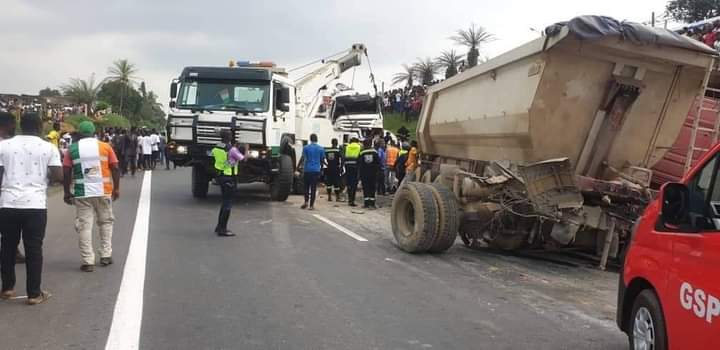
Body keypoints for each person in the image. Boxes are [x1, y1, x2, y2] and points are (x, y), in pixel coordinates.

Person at [0, 113, 62, 304]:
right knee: (34, 248)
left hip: (8, 203)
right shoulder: (48, 147)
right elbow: (58, 176)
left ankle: (7, 288)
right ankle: (34, 294)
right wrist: (45, 177)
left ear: (20, 125)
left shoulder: (4, 145)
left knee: (8, 246)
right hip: (35, 204)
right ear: (40, 126)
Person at [62, 121, 120, 272]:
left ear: (80, 133)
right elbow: (115, 167)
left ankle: (88, 261)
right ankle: (106, 255)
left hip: (82, 193)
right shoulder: (105, 146)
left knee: (84, 226)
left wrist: (67, 192)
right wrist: (117, 188)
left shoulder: (72, 149)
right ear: (94, 132)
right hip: (103, 191)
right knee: (106, 223)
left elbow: (66, 171)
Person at [0, 112, 26, 264]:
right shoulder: (5, 144)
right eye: (13, 124)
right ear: (8, 125)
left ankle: (13, 252)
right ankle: (12, 253)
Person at [211, 130, 239, 236]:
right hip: (229, 177)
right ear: (229, 137)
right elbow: (242, 158)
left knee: (224, 202)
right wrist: (246, 149)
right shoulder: (231, 149)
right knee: (227, 204)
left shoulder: (217, 147)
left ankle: (219, 226)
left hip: (221, 176)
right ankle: (223, 229)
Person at [301, 134, 325, 210]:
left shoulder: (306, 147)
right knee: (313, 188)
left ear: (310, 139)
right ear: (316, 139)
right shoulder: (321, 148)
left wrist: (298, 168)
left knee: (306, 187)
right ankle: (311, 206)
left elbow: (303, 158)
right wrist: (321, 169)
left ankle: (306, 202)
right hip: (315, 170)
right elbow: (322, 160)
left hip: (307, 170)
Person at [359, 138, 380, 209]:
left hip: (364, 174)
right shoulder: (375, 152)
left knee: (366, 188)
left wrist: (360, 174)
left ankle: (366, 204)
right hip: (373, 173)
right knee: (372, 188)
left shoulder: (362, 152)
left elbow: (360, 164)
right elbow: (378, 163)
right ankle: (372, 204)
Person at [343, 137, 362, 207]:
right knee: (354, 184)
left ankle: (349, 199)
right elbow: (360, 157)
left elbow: (344, 157)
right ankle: (352, 200)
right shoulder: (359, 146)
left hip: (348, 166)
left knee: (349, 183)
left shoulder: (347, 146)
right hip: (355, 167)